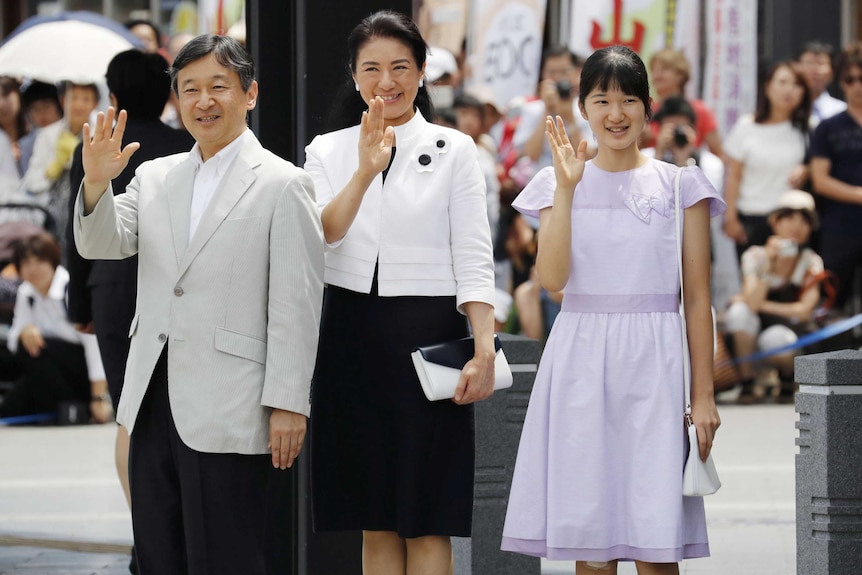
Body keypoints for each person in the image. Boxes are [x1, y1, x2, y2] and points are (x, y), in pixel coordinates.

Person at [72, 34, 324, 575]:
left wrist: (288, 402)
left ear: (249, 94)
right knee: (158, 550)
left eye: (218, 86)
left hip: (231, 400)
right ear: (176, 100)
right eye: (190, 89)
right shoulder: (155, 175)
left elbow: (296, 305)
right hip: (152, 392)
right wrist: (96, 182)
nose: (203, 101)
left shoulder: (284, 184)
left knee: (227, 556)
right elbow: (102, 243)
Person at [501, 45, 724, 573]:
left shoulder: (679, 186)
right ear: (583, 107)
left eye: (628, 100)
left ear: (649, 107)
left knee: (655, 548)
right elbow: (552, 279)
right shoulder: (561, 180)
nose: (615, 113)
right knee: (594, 551)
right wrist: (566, 187)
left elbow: (696, 298)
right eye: (601, 100)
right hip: (581, 363)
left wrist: (704, 393)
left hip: (657, 366)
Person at [304, 11, 496, 575]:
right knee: (376, 517)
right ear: (354, 74)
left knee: (428, 515)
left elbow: (474, 255)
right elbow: (324, 232)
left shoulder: (456, 149)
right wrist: (365, 171)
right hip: (350, 337)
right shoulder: (327, 150)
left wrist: (484, 348)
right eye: (372, 69)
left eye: (399, 68)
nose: (386, 82)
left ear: (421, 72)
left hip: (429, 337)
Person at [64, 49, 193, 575]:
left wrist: (80, 301)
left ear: (111, 96)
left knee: (130, 415)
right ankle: (172, 532)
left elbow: (78, 229)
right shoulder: (187, 144)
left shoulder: (96, 145)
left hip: (112, 290)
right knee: (173, 415)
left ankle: (148, 536)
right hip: (171, 288)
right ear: (169, 94)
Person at [725, 190, 824, 405]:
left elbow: (804, 310)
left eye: (803, 220)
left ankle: (787, 378)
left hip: (786, 334)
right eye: (789, 217)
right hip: (752, 336)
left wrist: (759, 303)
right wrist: (769, 264)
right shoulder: (755, 255)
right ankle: (748, 381)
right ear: (775, 222)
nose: (795, 226)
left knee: (777, 339)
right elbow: (749, 306)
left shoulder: (810, 261)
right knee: (739, 313)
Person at [0, 232, 110, 423]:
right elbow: (12, 342)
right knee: (10, 407)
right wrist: (25, 331)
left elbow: (95, 348)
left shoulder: (71, 291)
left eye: (39, 261)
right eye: (26, 263)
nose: (33, 269)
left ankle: (75, 405)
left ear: (53, 261)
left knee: (36, 351)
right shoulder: (26, 293)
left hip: (79, 371)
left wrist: (98, 398)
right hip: (46, 371)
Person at [722, 61, 811, 258]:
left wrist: (807, 170)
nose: (789, 90)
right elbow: (734, 176)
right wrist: (730, 218)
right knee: (754, 283)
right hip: (751, 219)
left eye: (797, 84)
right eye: (782, 82)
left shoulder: (807, 130)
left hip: (790, 221)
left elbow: (816, 167)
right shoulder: (746, 126)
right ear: (768, 86)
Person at [810, 42, 862, 316]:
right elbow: (820, 180)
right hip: (839, 226)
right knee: (833, 302)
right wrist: (858, 195)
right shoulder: (828, 127)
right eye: (850, 79)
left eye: (861, 78)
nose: (857, 85)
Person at [513, 46, 593, 180]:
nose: (557, 78)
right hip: (541, 186)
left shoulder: (586, 109)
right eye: (552, 72)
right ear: (543, 75)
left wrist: (570, 118)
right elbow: (531, 155)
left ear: (575, 73)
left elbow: (587, 156)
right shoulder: (531, 109)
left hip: (576, 185)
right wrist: (547, 109)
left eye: (564, 71)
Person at [647, 48, 723, 156]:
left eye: (664, 69)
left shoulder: (700, 110)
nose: (657, 75)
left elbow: (718, 154)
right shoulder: (646, 111)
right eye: (653, 70)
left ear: (681, 74)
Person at [797, 41, 847, 129]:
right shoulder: (785, 110)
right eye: (809, 62)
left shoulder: (842, 112)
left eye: (821, 63)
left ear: (832, 72)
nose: (814, 69)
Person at [18, 81, 63, 176]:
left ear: (59, 106)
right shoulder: (26, 144)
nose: (42, 113)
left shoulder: (71, 132)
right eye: (35, 109)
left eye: (46, 106)